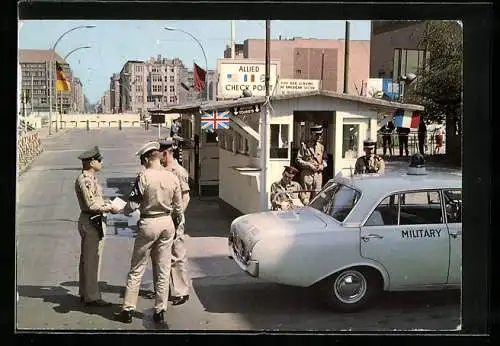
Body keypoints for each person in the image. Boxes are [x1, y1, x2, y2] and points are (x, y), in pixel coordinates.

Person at [115, 141, 183, 324]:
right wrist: (175, 226)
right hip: (167, 222)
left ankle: (128, 309)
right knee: (162, 269)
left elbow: (133, 204)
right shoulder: (172, 177)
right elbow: (178, 208)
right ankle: (160, 310)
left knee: (137, 268)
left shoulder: (143, 176)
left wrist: (122, 210)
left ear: (146, 159)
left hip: (148, 222)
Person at [75, 146, 120, 306]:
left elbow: (96, 199)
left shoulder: (91, 178)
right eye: (99, 160)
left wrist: (106, 202)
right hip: (91, 220)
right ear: (92, 162)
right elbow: (91, 204)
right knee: (92, 259)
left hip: (93, 219)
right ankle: (92, 296)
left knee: (87, 259)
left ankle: (85, 291)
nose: (102, 162)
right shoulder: (86, 180)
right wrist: (110, 208)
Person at [296, 124, 326, 204]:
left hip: (318, 176)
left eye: (320, 134)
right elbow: (298, 159)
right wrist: (309, 165)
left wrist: (322, 166)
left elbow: (325, 160)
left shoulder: (321, 147)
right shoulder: (304, 146)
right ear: (312, 134)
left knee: (317, 198)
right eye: (317, 134)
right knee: (305, 198)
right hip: (307, 175)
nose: (319, 136)